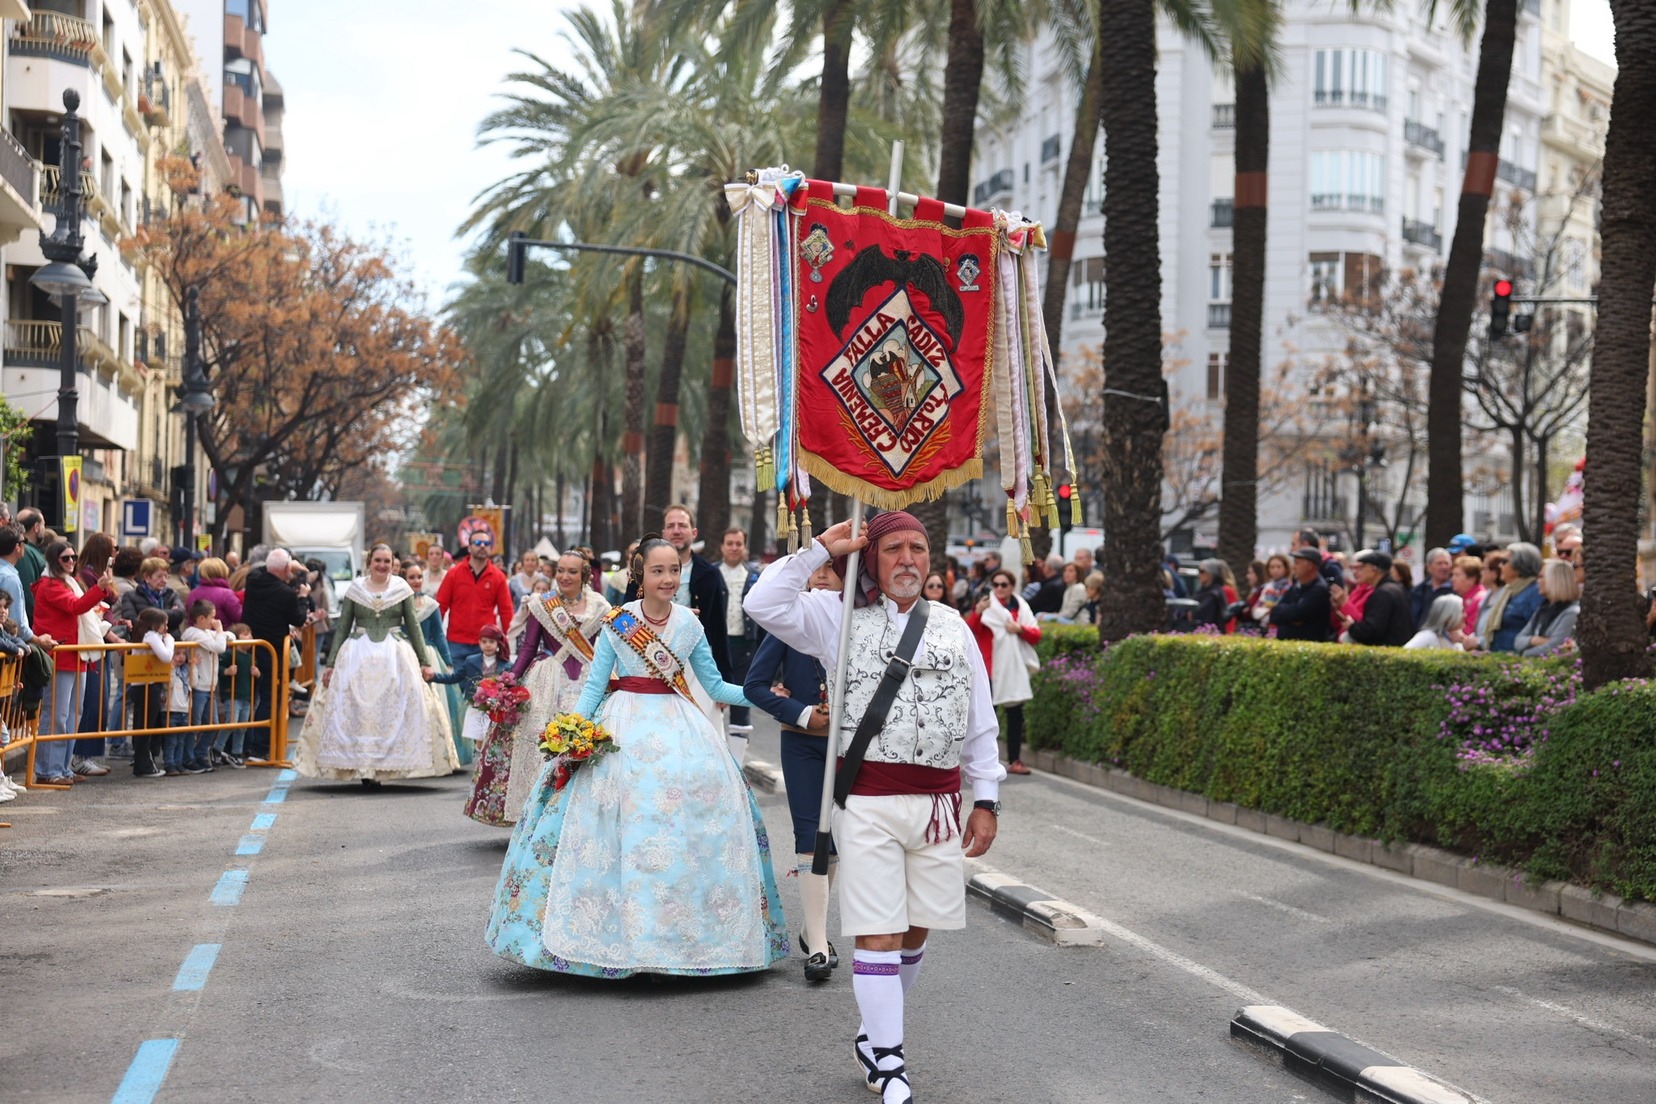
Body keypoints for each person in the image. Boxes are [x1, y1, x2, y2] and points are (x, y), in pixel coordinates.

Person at [745, 513, 1003, 1104]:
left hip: (938, 807)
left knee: (916, 930)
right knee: (878, 933)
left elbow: (980, 721)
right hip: (866, 802)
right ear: (870, 560)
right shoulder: (834, 618)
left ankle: (873, 1034)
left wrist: (986, 798)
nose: (908, 559)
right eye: (893, 549)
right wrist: (820, 549)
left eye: (918, 547)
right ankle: (890, 1063)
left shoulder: (954, 626)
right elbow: (763, 602)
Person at [486, 537, 787, 979]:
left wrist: (769, 698)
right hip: (621, 727)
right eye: (658, 570)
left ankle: (684, 935)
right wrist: (572, 733)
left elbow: (716, 686)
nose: (668, 579)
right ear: (639, 575)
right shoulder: (618, 621)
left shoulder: (690, 625)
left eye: (674, 570)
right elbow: (594, 686)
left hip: (681, 728)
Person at [745, 556, 845, 984]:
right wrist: (802, 713)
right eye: (814, 569)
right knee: (809, 835)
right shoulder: (788, 624)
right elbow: (754, 685)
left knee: (836, 840)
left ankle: (811, 928)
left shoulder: (859, 623)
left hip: (851, 748)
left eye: (831, 568)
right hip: (802, 744)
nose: (820, 576)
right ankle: (819, 946)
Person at [294, 543, 456, 787]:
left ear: (392, 564)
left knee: (398, 705)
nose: (382, 565)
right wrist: (331, 664)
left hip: (395, 656)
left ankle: (388, 767)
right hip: (357, 655)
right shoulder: (356, 588)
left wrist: (424, 662)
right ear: (369, 562)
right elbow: (343, 627)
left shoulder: (401, 588)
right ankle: (363, 766)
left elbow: (413, 627)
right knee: (356, 710)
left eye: (386, 561)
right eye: (378, 560)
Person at [475, 550, 609, 828]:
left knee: (586, 746)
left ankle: (579, 818)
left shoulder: (600, 607)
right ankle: (537, 815)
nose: (564, 576)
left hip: (587, 683)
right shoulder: (541, 604)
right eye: (560, 570)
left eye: (572, 571)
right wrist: (507, 683)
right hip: (547, 680)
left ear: (584, 575)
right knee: (539, 749)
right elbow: (528, 648)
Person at [31, 540, 115, 784]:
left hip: (76, 653)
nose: (71, 562)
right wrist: (99, 588)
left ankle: (63, 768)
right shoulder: (49, 584)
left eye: (73, 557)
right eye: (65, 558)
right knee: (57, 715)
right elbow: (75, 606)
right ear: (54, 560)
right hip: (61, 655)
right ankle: (48, 771)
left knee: (72, 715)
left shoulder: (68, 582)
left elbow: (78, 607)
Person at [967, 568, 1042, 777]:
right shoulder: (986, 606)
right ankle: (982, 760)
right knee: (986, 718)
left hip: (1012, 669)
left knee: (1015, 716)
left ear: (1012, 587)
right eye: (996, 584)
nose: (999, 588)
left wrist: (1019, 629)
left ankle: (1014, 759)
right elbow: (971, 630)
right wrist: (978, 612)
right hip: (990, 669)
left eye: (1004, 584)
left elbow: (1036, 634)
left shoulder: (1021, 607)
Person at [242, 548, 312, 755]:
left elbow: (262, 569)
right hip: (273, 649)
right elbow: (298, 619)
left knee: (250, 698)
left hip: (251, 646)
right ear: (286, 568)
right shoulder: (285, 593)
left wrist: (288, 567)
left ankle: (246, 746)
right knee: (271, 697)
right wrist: (303, 597)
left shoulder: (253, 581)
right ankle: (261, 747)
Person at [403, 561, 467, 768]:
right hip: (404, 654)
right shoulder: (397, 604)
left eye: (419, 577)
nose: (416, 581)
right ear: (403, 579)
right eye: (411, 577)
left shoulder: (430, 605)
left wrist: (447, 661)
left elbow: (439, 635)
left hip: (429, 656)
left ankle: (436, 753)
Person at [435, 529, 514, 672]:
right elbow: (440, 607)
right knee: (457, 685)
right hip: (456, 642)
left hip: (486, 643)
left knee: (484, 685)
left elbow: (506, 610)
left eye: (486, 543)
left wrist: (509, 639)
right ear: (469, 547)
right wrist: (435, 637)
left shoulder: (498, 577)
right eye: (478, 542)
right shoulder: (453, 574)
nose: (482, 546)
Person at [717, 526, 761, 755]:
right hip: (715, 649)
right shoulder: (711, 573)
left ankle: (737, 765)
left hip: (746, 649)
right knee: (712, 705)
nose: (734, 548)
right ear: (722, 547)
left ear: (744, 547)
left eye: (738, 544)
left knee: (742, 705)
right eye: (730, 543)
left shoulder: (755, 576)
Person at [180, 600, 231, 773]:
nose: (215, 621)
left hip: (209, 686)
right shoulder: (193, 634)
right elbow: (220, 646)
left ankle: (199, 754)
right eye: (212, 618)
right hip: (198, 686)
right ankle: (188, 758)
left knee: (212, 725)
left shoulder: (206, 632)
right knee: (194, 726)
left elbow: (229, 637)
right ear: (201, 618)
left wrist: (220, 633)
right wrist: (220, 631)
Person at [127, 607, 174, 778]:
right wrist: (170, 640)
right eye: (164, 624)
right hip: (146, 685)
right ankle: (143, 765)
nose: (166, 628)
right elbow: (166, 656)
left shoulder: (143, 635)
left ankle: (143, 762)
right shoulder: (151, 636)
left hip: (141, 685)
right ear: (155, 625)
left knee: (143, 727)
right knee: (146, 728)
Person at [1339, 550, 1415, 646]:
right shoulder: (1396, 588)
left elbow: (1372, 630)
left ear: (1374, 570)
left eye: (1362, 567)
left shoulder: (1383, 593)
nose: (1358, 572)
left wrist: (1352, 627)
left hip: (1386, 650)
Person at [1481, 542, 1544, 654]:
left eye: (1504, 562)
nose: (1500, 566)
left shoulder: (1535, 593)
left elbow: (1537, 630)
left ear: (1520, 565)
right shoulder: (1509, 590)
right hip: (1498, 656)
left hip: (1517, 658)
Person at [1516, 559, 1580, 657]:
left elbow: (1555, 647)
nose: (1538, 581)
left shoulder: (1571, 613)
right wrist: (1535, 640)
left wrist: (1525, 653)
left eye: (1541, 577)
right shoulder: (1543, 608)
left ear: (1555, 580)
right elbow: (1518, 641)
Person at [216, 622, 258, 768]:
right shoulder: (229, 654)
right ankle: (217, 749)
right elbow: (218, 668)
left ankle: (236, 753)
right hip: (232, 695)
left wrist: (258, 674)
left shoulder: (251, 656)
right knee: (231, 724)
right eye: (245, 634)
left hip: (246, 697)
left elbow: (257, 677)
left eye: (250, 634)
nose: (250, 637)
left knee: (242, 727)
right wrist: (227, 671)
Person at [1269, 548, 1334, 642]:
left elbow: (1297, 614)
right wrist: (1289, 614)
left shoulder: (1319, 590)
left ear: (1309, 566)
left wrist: (1289, 614)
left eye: (1297, 563)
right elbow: (1275, 612)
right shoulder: (1297, 585)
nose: (1293, 567)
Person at [187, 558, 244, 627]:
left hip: (196, 633)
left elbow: (190, 619)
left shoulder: (192, 593)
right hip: (221, 632)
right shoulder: (226, 594)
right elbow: (239, 617)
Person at [14, 508, 48, 620]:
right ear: (36, 527)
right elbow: (27, 592)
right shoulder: (25, 552)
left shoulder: (29, 551)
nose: (45, 529)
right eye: (43, 525)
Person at [1410, 548, 1455, 629]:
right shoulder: (1419, 591)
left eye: (1446, 563)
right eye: (1439, 563)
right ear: (1429, 567)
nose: (1444, 567)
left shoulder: (1456, 590)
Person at [1192, 559, 1234, 632]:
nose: (1199, 574)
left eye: (1202, 571)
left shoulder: (1216, 593)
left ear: (1210, 573)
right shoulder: (1202, 591)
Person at [1450, 555, 1486, 637]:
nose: (1453, 579)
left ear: (1472, 578)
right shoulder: (1465, 597)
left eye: (1457, 575)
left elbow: (1469, 632)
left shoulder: (1479, 599)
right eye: (1452, 575)